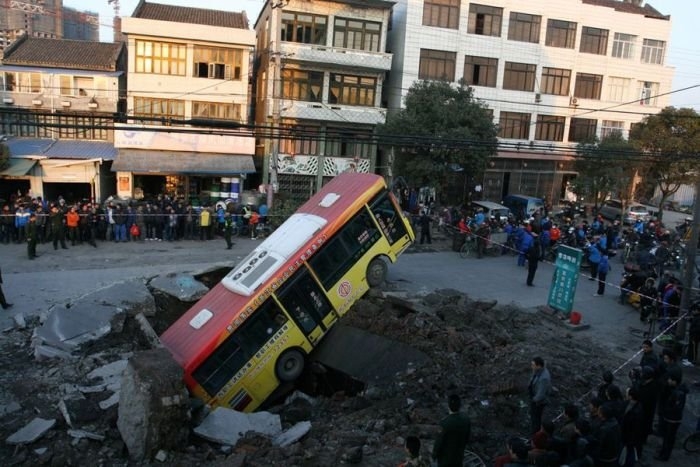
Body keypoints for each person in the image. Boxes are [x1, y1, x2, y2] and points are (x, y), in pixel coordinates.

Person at [655, 373, 687, 461]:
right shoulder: (676, 390)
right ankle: (663, 453)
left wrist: (667, 409)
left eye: (670, 379)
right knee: (667, 437)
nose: (668, 380)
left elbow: (677, 408)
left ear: (674, 381)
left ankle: (664, 456)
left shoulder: (679, 393)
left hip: (673, 420)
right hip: (670, 418)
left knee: (669, 438)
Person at [432, 394, 471, 467]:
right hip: (458, 457)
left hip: (445, 460)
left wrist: (434, 455)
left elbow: (439, 442)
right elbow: (467, 438)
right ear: (460, 406)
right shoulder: (466, 420)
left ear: (448, 406)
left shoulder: (444, 423)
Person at [528, 356, 551, 435]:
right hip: (534, 396)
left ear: (539, 366)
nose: (532, 366)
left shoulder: (544, 378)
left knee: (536, 419)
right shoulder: (538, 370)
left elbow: (541, 395)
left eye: (533, 365)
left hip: (538, 403)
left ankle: (535, 435)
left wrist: (533, 400)